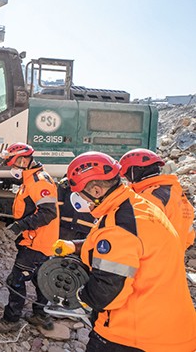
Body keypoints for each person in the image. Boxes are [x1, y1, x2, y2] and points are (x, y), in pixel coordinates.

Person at [52, 151, 196, 352]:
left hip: (134, 336)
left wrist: (80, 296)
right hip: (170, 330)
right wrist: (76, 246)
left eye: (78, 193)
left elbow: (107, 294)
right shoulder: (139, 207)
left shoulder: (118, 225)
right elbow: (127, 247)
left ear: (95, 190)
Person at [0, 142, 59, 332]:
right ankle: (40, 314)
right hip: (37, 240)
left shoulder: (39, 182)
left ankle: (11, 320)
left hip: (36, 243)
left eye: (13, 164)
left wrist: (20, 226)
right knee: (40, 278)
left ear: (22, 160)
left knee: (15, 280)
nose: (12, 169)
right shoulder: (31, 179)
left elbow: (47, 213)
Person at [119, 148, 195, 250]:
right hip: (175, 255)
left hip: (156, 258)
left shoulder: (149, 197)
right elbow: (188, 232)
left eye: (126, 175)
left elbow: (139, 234)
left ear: (134, 172)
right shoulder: (174, 190)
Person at [56, 176, 96, 240]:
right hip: (66, 229)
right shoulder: (66, 183)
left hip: (89, 231)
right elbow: (57, 208)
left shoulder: (99, 183)